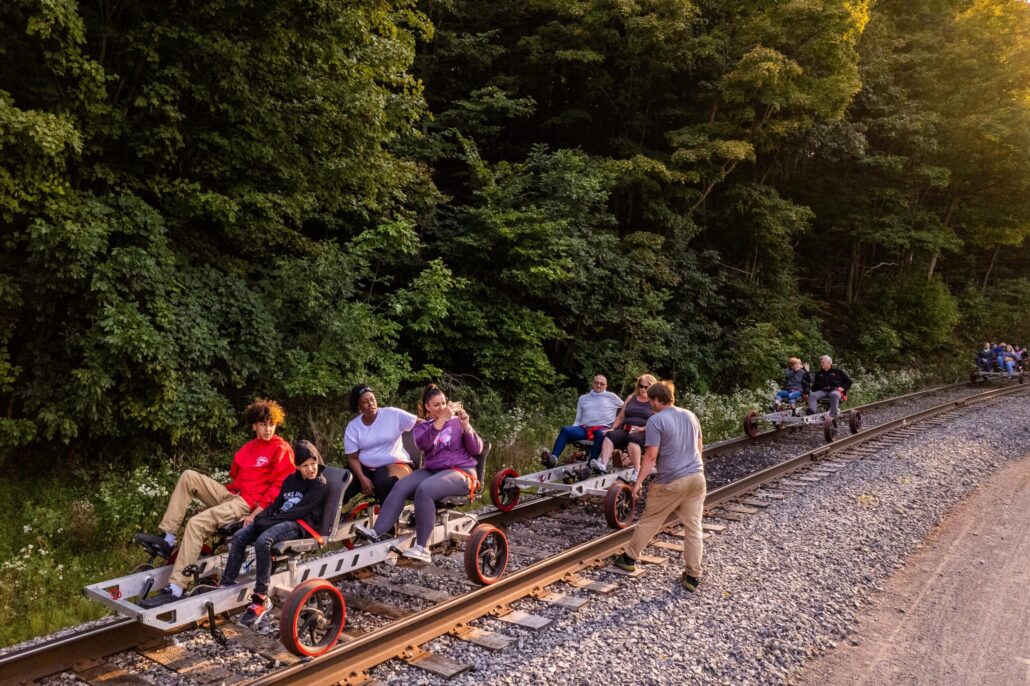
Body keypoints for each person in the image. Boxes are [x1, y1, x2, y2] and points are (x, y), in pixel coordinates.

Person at [136, 399, 296, 608]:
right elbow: (235, 481)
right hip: (232, 495)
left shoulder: (280, 447)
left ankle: (176, 588)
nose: (268, 429)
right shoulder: (247, 449)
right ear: (254, 426)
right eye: (263, 424)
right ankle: (168, 538)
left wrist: (256, 513)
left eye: (271, 424)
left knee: (196, 523)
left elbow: (280, 486)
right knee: (189, 476)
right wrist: (214, 504)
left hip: (248, 503)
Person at [355, 384, 483, 563]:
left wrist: (467, 426)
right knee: (401, 486)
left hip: (461, 472)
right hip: (433, 470)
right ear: (427, 407)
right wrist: (440, 421)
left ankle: (423, 548)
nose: (441, 408)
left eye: (443, 403)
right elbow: (424, 444)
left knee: (424, 490)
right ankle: (376, 532)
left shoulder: (456, 423)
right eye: (436, 405)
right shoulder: (422, 428)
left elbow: (477, 449)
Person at [219, 440, 328, 627]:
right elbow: (277, 504)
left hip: (300, 525)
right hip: (280, 519)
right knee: (240, 536)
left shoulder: (320, 484)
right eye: (305, 466)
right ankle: (227, 583)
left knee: (263, 541)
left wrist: (267, 522)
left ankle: (261, 597)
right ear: (297, 467)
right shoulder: (290, 480)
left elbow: (298, 512)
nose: (311, 469)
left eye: (313, 464)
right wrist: (260, 518)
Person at [612, 380, 705, 592]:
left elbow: (651, 457)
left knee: (650, 520)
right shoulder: (690, 415)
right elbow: (699, 448)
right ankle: (693, 576)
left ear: (656, 399)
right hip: (697, 478)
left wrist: (638, 482)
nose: (650, 405)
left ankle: (629, 558)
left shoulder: (656, 420)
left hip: (671, 481)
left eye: (651, 401)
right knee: (693, 528)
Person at [343, 384, 418, 505]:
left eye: (372, 399)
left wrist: (440, 425)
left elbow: (420, 423)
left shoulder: (392, 414)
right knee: (343, 483)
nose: (370, 404)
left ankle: (388, 517)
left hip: (397, 465)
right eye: (365, 402)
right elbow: (352, 457)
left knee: (384, 482)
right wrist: (361, 478)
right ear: (358, 406)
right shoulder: (353, 427)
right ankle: (330, 515)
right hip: (367, 468)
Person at [540, 375, 624, 468]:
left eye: (602, 384)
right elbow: (578, 419)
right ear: (592, 383)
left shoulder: (611, 397)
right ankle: (553, 459)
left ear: (606, 386)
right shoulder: (583, 398)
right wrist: (572, 431)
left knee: (601, 434)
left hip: (602, 428)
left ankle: (591, 465)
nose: (598, 385)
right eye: (596, 382)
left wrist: (617, 426)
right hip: (585, 428)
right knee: (566, 430)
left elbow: (626, 408)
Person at [593, 374, 658, 479]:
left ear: (652, 387)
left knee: (633, 439)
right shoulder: (631, 398)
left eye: (646, 387)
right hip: (626, 429)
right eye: (641, 386)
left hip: (643, 431)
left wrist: (643, 429)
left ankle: (637, 471)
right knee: (610, 435)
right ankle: (603, 465)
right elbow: (620, 416)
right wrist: (613, 428)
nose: (643, 389)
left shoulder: (655, 402)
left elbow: (658, 422)